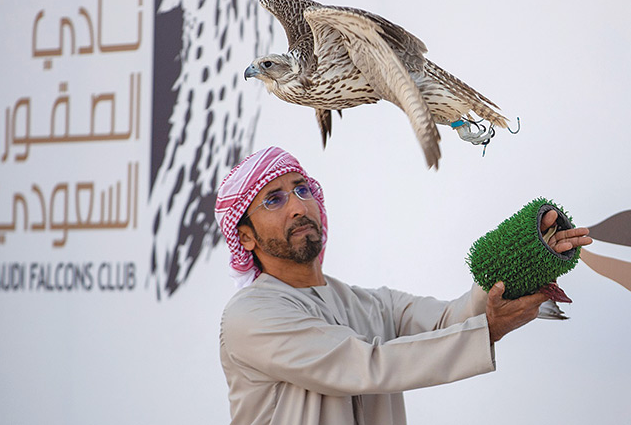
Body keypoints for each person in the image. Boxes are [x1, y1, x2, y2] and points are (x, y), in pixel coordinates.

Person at [214, 146, 592, 425]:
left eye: (301, 190)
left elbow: (450, 320)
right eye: (274, 200)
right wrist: (487, 330)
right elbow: (366, 365)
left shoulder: (369, 304)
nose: (298, 207)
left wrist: (525, 254)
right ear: (245, 237)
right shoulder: (249, 315)